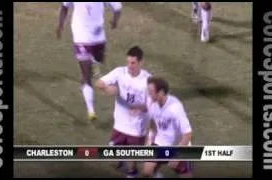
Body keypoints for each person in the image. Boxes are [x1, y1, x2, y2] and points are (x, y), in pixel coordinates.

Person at [56, 2, 122, 121]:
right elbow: (64, 6)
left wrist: (115, 21)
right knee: (86, 76)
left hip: (98, 36)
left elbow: (117, 8)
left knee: (97, 62)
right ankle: (91, 110)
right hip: (81, 36)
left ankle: (91, 68)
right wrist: (60, 24)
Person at [95, 46, 152, 178]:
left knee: (131, 166)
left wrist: (139, 108)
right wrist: (108, 88)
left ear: (141, 62)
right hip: (119, 126)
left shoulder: (148, 80)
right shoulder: (120, 72)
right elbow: (98, 83)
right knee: (112, 161)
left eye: (133, 63)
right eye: (128, 62)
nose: (129, 66)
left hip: (136, 129)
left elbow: (152, 105)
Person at [142, 77, 193, 178]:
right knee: (147, 172)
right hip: (160, 143)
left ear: (160, 92)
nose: (149, 94)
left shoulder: (175, 108)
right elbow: (153, 123)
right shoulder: (151, 102)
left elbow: (188, 134)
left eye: (151, 92)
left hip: (177, 145)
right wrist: (150, 141)